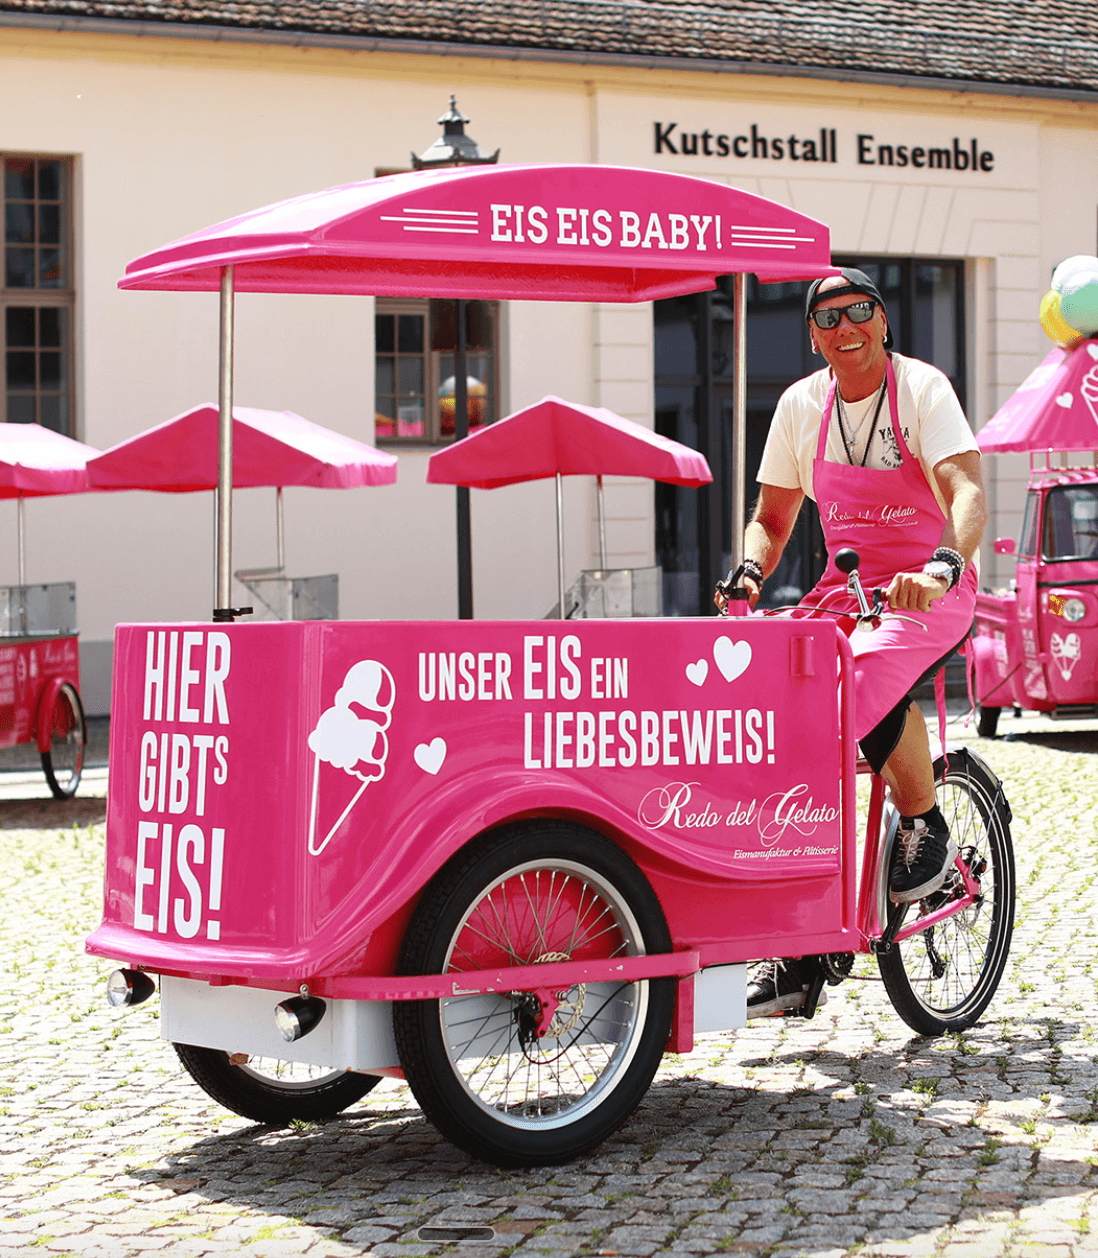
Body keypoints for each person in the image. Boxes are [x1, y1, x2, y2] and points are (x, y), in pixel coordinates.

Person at [715, 268, 987, 1017]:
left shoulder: (923, 391)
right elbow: (772, 523)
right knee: (773, 701)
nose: (846, 327)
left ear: (882, 323)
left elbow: (966, 493)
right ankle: (803, 944)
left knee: (859, 671)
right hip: (848, 590)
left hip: (931, 587)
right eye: (828, 318)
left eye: (860, 311)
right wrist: (746, 571)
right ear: (812, 335)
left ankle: (925, 819)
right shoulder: (802, 406)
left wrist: (941, 566)